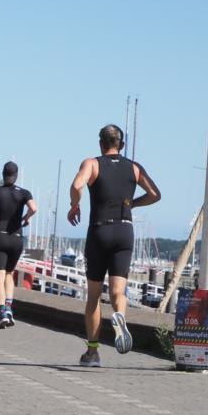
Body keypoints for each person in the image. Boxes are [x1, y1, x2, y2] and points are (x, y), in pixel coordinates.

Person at [68, 124, 161, 367]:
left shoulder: (92, 163)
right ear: (121, 144)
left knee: (94, 297)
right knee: (118, 291)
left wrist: (74, 205)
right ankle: (119, 318)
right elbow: (155, 194)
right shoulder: (134, 167)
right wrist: (132, 204)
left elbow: (77, 186)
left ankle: (93, 352)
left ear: (101, 143)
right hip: (124, 230)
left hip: (100, 230)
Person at [0, 161, 38, 329]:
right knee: (10, 274)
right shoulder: (24, 193)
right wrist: (26, 218)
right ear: (16, 176)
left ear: (3, 174)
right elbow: (34, 208)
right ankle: (9, 309)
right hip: (16, 238)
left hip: (0, 237)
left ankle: (2, 311)